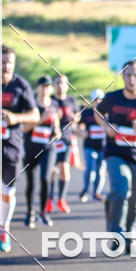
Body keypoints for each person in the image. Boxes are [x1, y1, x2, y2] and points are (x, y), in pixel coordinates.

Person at [0, 46, 39, 257]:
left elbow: (35, 115)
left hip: (12, 146)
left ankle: (3, 229)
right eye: (2, 62)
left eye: (10, 63)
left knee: (7, 193)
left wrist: (16, 118)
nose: (6, 67)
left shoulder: (21, 86)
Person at [94, 61, 136, 254]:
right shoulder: (112, 98)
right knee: (120, 190)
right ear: (123, 76)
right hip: (116, 153)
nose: (131, 79)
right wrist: (107, 127)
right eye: (128, 75)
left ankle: (130, 232)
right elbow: (97, 111)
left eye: (135, 75)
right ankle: (117, 234)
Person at [22, 76, 61, 228]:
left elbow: (56, 128)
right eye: (42, 86)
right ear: (37, 88)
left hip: (48, 148)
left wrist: (57, 133)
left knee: (45, 178)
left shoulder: (54, 106)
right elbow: (23, 128)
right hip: (31, 147)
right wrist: (40, 120)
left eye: (47, 87)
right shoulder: (31, 105)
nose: (45, 89)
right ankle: (30, 213)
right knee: (31, 182)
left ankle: (43, 213)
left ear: (51, 89)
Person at [46, 74, 79, 214]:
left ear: (67, 85)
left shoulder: (71, 100)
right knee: (52, 170)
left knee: (65, 169)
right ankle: (49, 199)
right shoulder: (50, 100)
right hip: (52, 138)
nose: (60, 85)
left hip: (66, 139)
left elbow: (77, 117)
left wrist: (75, 119)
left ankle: (61, 199)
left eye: (63, 83)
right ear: (54, 85)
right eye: (58, 83)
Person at [78, 88, 107, 202]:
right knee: (90, 169)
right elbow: (79, 125)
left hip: (103, 146)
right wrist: (82, 132)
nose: (98, 101)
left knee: (100, 170)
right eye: (95, 99)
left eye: (100, 99)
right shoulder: (87, 113)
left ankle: (96, 193)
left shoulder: (106, 113)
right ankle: (85, 189)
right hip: (89, 145)